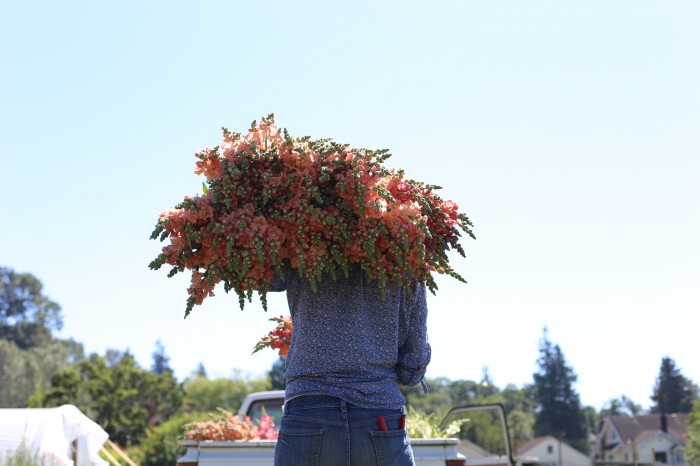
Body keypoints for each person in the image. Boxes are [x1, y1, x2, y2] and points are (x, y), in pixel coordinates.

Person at [269, 262, 431, 466]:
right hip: (379, 412)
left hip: (309, 408)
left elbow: (260, 276)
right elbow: (414, 361)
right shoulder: (406, 255)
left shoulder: (302, 244)